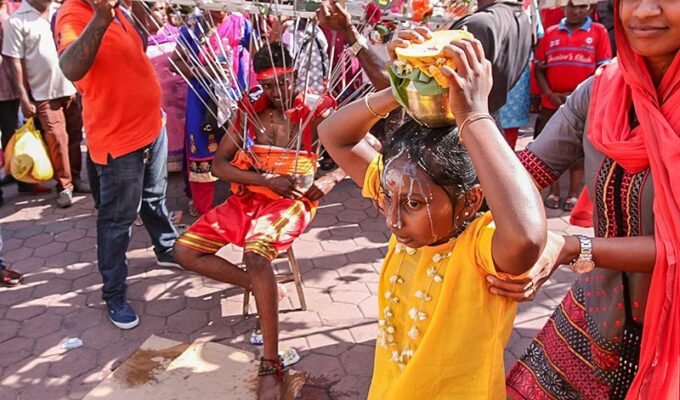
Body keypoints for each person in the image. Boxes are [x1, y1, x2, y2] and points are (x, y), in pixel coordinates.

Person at [319, 35, 548, 398]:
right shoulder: (405, 201)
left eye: (412, 204)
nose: (393, 221)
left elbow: (528, 237)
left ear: (471, 202)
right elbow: (332, 135)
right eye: (387, 198)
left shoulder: (483, 250)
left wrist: (474, 114)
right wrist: (401, 89)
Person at [486, 0, 680, 398]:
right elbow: (527, 173)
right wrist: (461, 107)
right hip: (601, 312)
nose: (643, 12)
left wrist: (572, 247)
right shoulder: (602, 90)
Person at [174, 42, 345, 400]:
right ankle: (264, 287)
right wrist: (263, 181)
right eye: (268, 85)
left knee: (257, 252)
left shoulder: (317, 107)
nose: (276, 93)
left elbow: (366, 145)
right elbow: (219, 165)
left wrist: (329, 179)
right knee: (184, 251)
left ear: (297, 74)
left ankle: (271, 362)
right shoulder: (251, 109)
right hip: (250, 197)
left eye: (283, 82)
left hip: (293, 202)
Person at [56, 0, 179, 330]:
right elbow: (70, 68)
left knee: (154, 198)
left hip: (152, 127)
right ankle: (114, 293)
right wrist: (101, 17)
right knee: (118, 220)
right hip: (118, 141)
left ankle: (166, 249)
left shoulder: (119, 8)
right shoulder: (74, 13)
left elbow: (133, 53)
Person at [2, 0, 89, 208]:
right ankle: (64, 186)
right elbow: (13, 61)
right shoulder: (16, 21)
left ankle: (75, 178)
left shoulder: (61, 12)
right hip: (43, 94)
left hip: (71, 88)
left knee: (75, 136)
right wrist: (23, 97)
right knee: (57, 140)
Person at [169, 10, 252, 216]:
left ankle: (244, 204)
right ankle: (203, 210)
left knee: (241, 149)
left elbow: (257, 55)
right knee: (201, 151)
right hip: (201, 102)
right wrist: (202, 70)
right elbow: (175, 62)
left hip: (234, 99)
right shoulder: (193, 25)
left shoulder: (240, 22)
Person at [534, 0, 611, 212]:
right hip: (551, 102)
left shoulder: (598, 32)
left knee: (578, 151)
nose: (576, 10)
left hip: (586, 105)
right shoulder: (550, 32)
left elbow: (603, 68)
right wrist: (549, 93)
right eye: (571, 5)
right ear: (563, 7)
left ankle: (573, 194)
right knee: (549, 148)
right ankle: (554, 192)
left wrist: (579, 95)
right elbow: (539, 67)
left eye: (582, 6)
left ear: (591, 8)